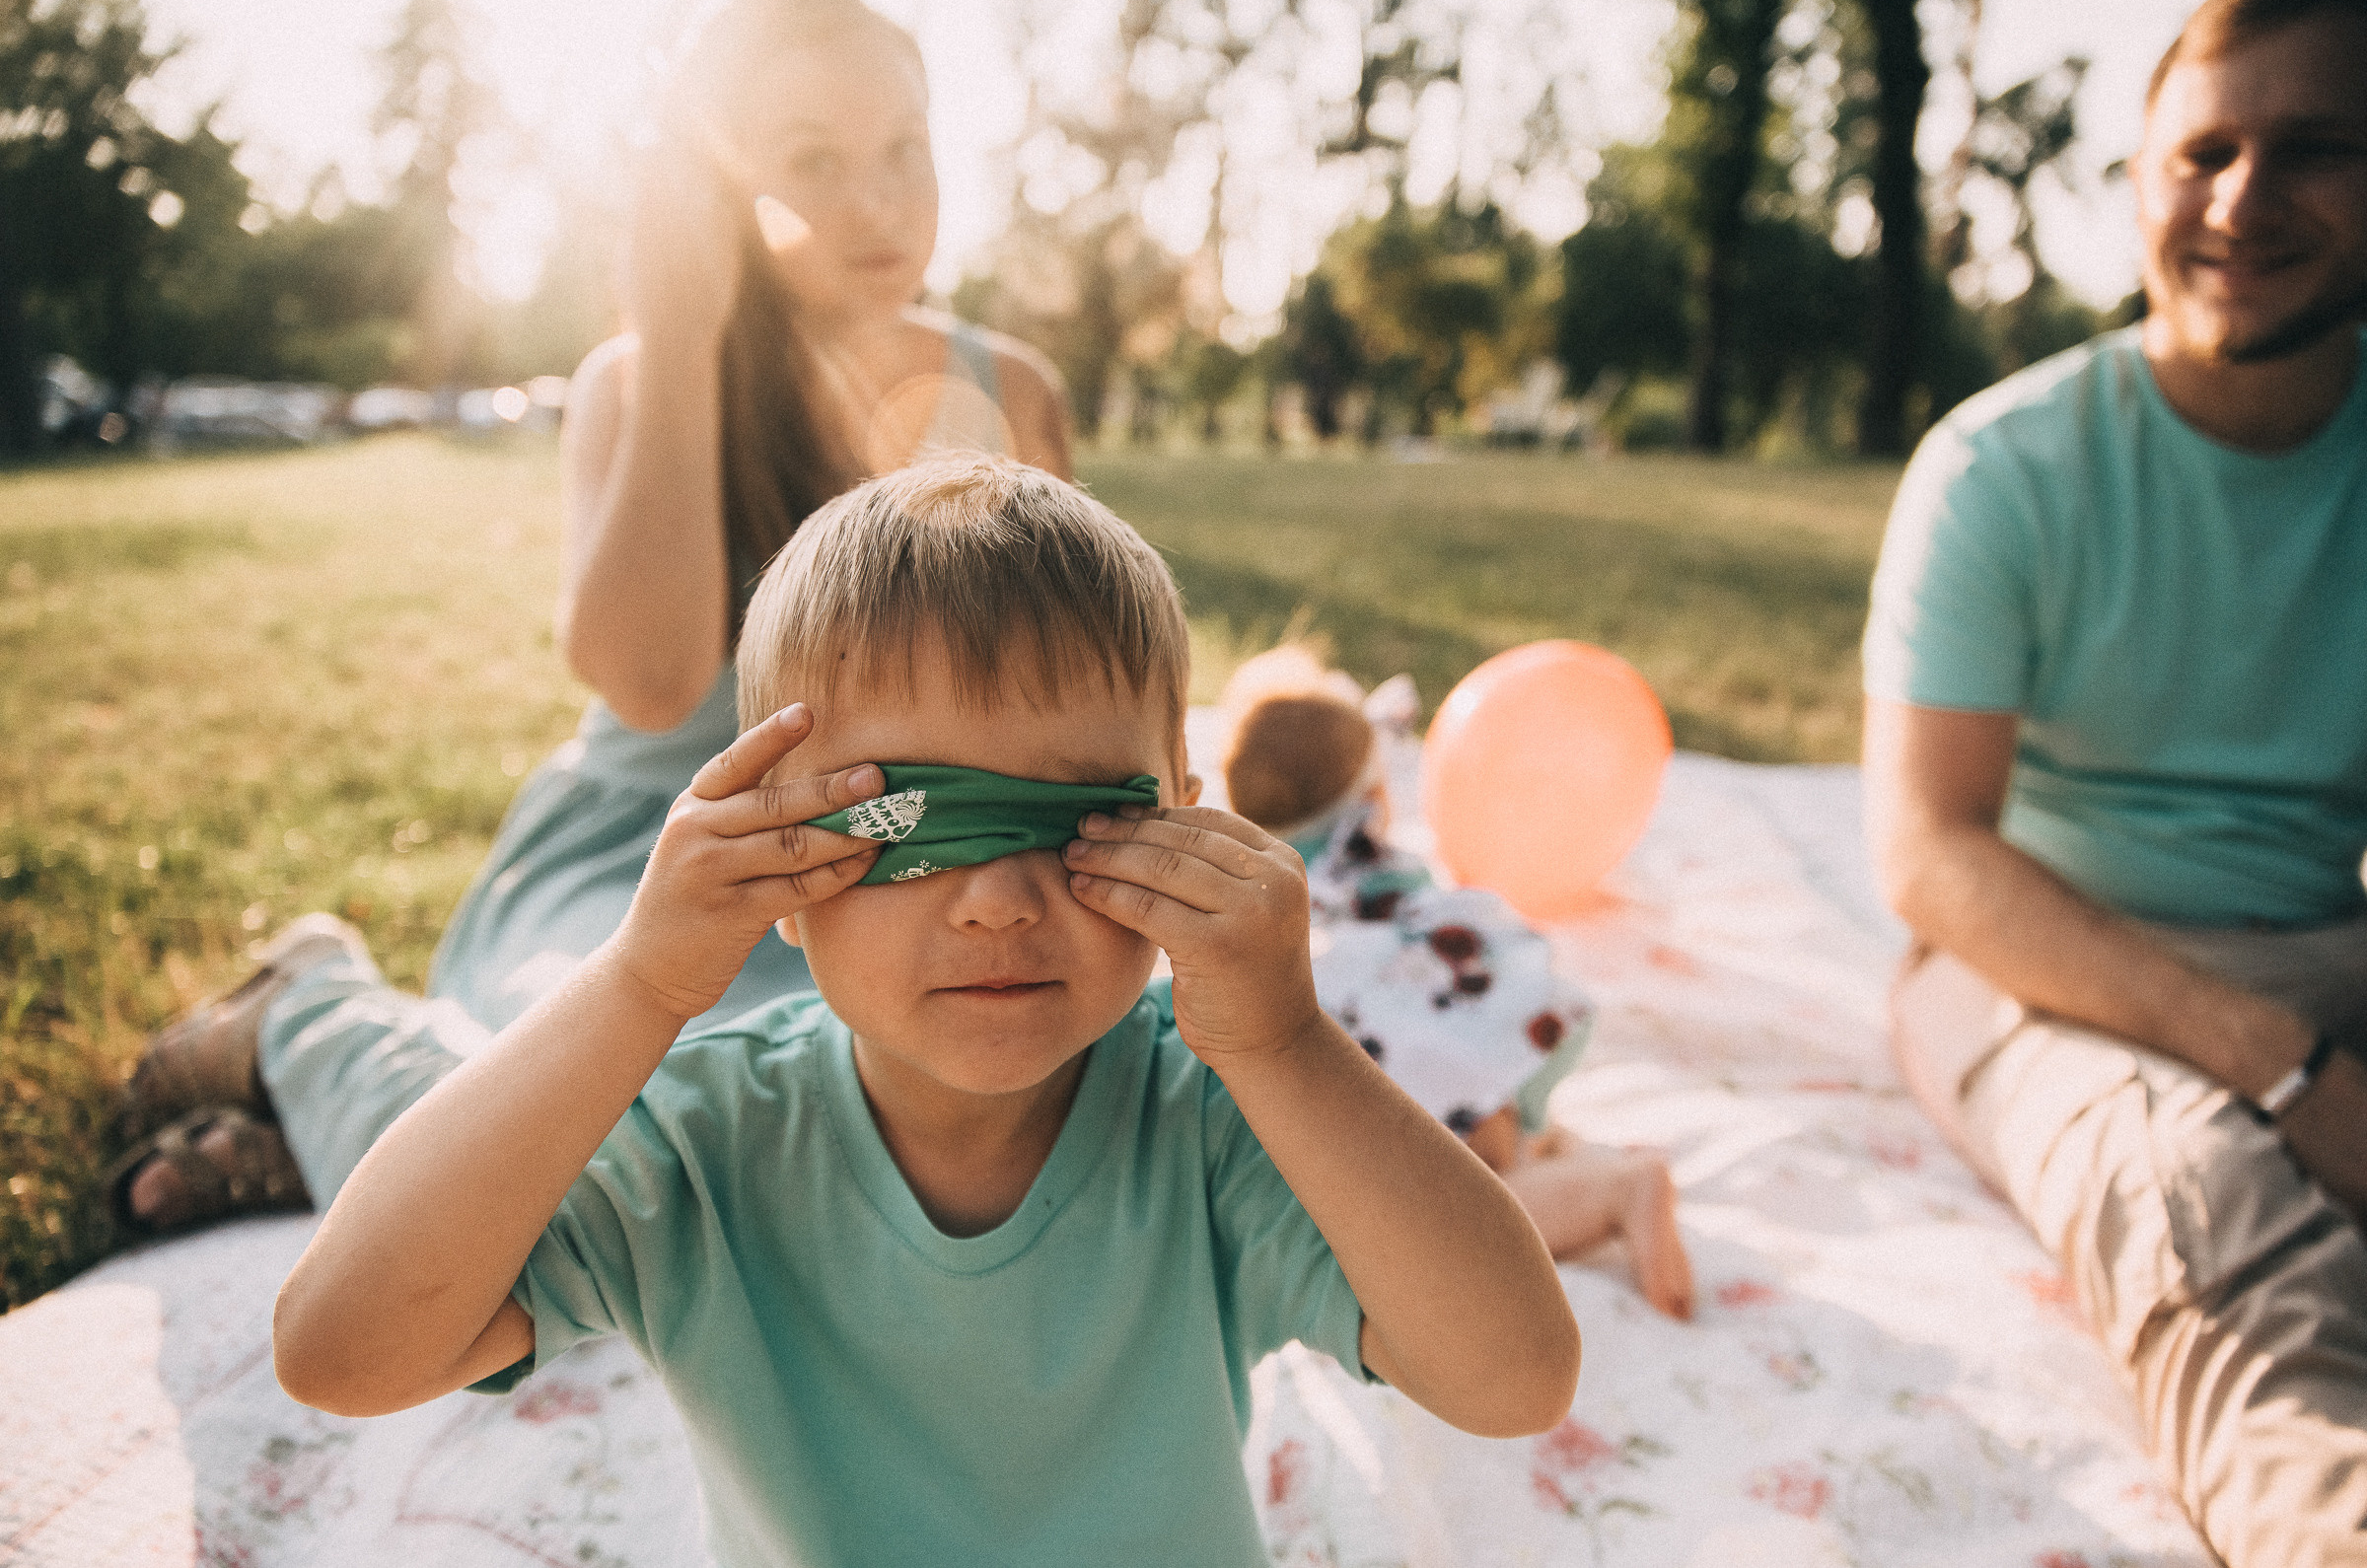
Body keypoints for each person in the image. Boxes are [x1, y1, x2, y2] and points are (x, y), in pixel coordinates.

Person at [269, 455, 1583, 1566]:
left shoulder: (1212, 1116)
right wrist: (638, 986)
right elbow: (342, 1350)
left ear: (1179, 816)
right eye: (913, 825)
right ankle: (293, 1011)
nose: (999, 900)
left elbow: (1515, 1378)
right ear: (777, 859)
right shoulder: (703, 1145)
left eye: (1075, 820)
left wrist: (1289, 1045)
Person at [107, 0, 1071, 1230]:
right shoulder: (641, 380)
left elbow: (1056, 688)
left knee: (966, 1119)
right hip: (658, 855)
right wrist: (682, 340)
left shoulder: (1016, 392)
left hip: (911, 860)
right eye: (812, 161)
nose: (878, 200)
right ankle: (310, 1018)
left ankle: (362, 1127)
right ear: (726, 188)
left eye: (905, 148)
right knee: (701, 1132)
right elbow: (653, 680)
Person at [1860, 0, 2367, 1561]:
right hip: (2040, 968)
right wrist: (2284, 1069)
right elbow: (1934, 857)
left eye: (2312, 151)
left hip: (2322, 949)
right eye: (2202, 151)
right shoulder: (2002, 469)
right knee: (2206, 1206)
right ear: (2140, 180)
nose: (2240, 199)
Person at [1218, 646, 1695, 1319]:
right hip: (1469, 1042)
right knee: (1484, 1149)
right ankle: (1534, 1145)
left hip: (1407, 1085)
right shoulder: (1398, 883)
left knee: (1435, 1230)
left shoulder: (1275, 901)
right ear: (1375, 800)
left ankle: (1616, 1191)